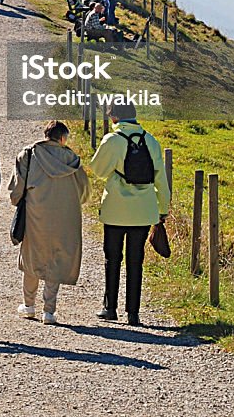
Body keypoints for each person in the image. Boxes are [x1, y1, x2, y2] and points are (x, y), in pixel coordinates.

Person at [89, 103, 170, 326]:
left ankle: (110, 308)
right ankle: (133, 313)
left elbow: (98, 170)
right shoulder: (151, 141)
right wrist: (163, 209)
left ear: (114, 117)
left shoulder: (112, 140)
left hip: (115, 208)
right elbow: (161, 179)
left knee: (112, 258)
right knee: (136, 260)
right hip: (144, 211)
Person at [9, 121, 90, 324]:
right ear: (62, 138)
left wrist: (17, 200)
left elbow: (16, 189)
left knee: (32, 258)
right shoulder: (72, 159)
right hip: (65, 216)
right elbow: (84, 192)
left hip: (35, 214)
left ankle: (28, 305)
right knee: (56, 259)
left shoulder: (29, 154)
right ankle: (49, 311)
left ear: (46, 135)